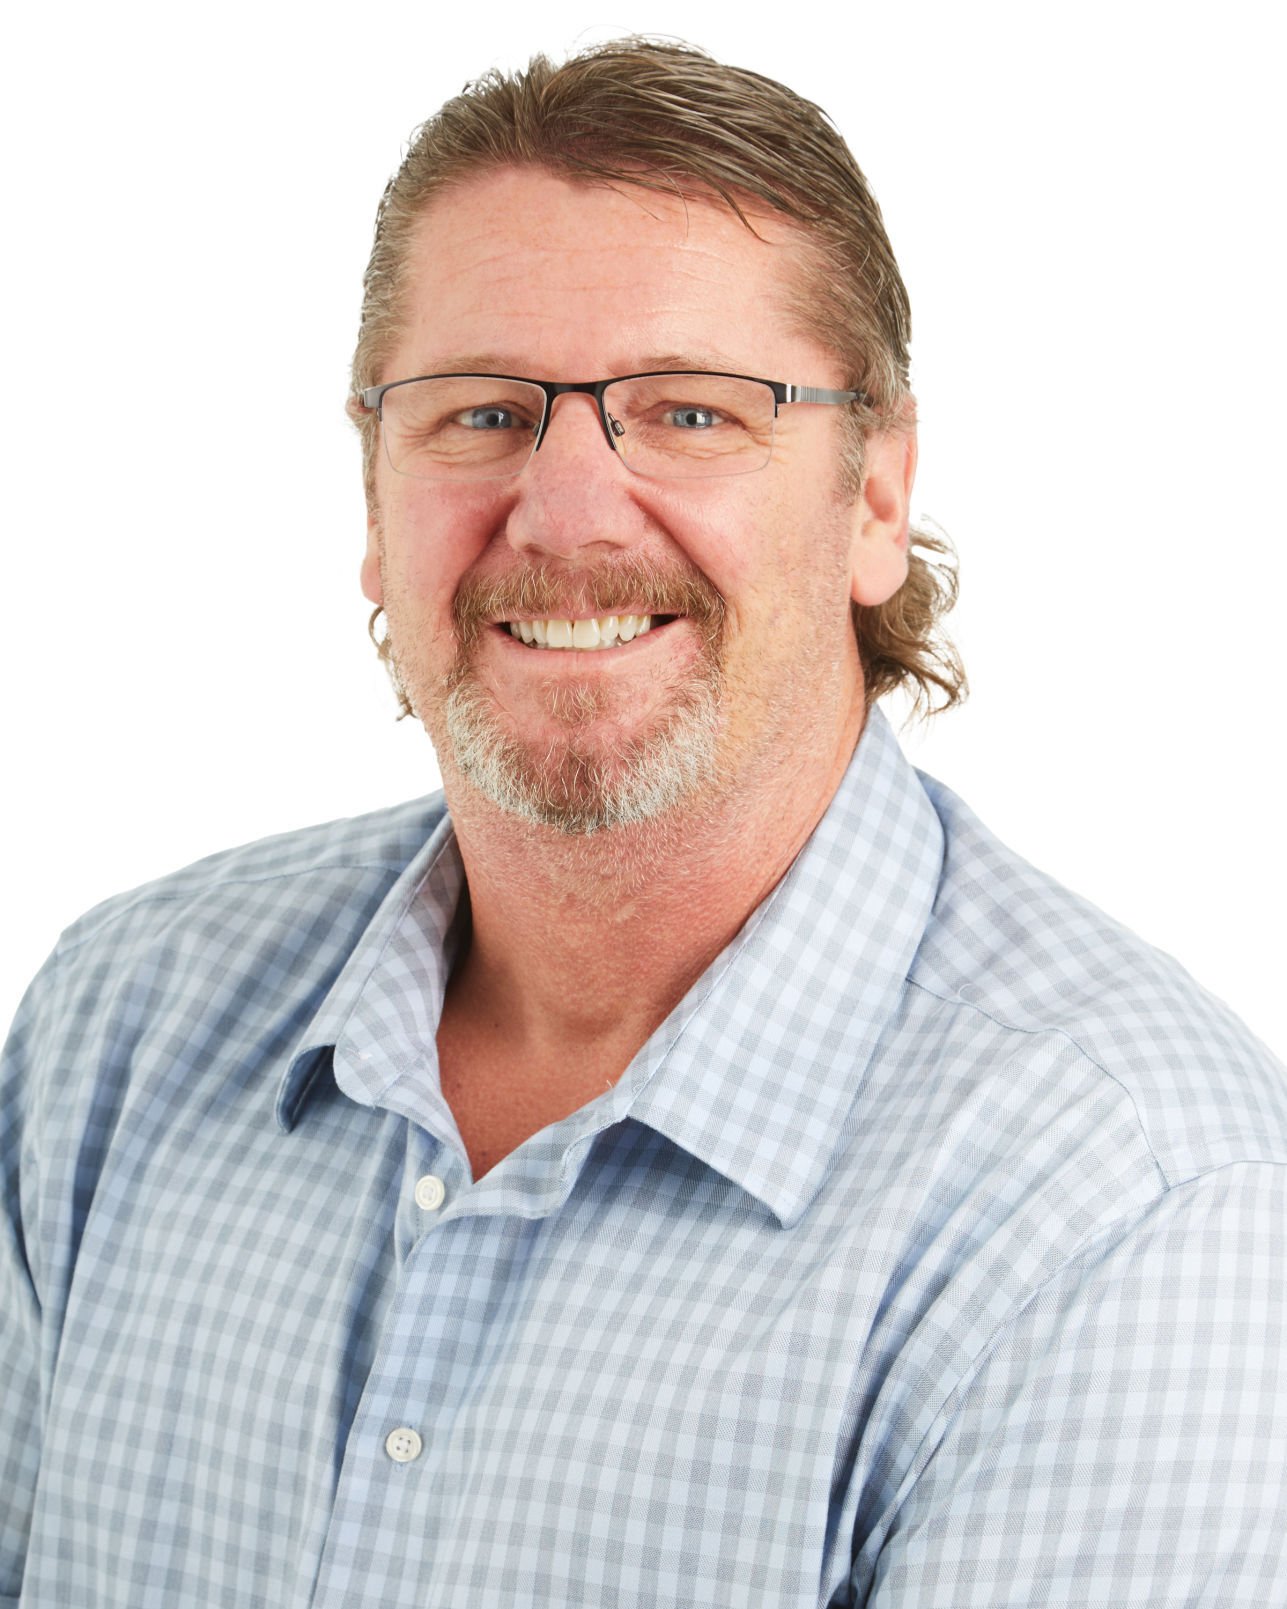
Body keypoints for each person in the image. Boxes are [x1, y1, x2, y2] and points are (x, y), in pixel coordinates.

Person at [2, 37, 1284, 1609]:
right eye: (482, 414)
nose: (566, 510)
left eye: (689, 413)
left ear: (877, 498)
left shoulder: (1127, 1214)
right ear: (372, 493)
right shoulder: (117, 1035)